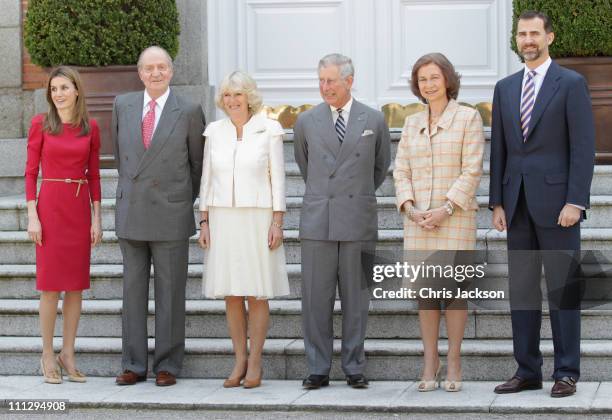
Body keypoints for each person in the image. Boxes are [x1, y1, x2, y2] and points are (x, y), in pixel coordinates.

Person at [490, 11, 595, 398]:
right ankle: (527, 370)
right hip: (515, 203)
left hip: (558, 206)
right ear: (516, 39)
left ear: (549, 37)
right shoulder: (505, 87)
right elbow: (499, 148)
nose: (528, 39)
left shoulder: (571, 84)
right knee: (523, 291)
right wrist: (496, 202)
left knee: (564, 290)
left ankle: (566, 371)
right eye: (522, 34)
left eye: (535, 33)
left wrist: (576, 201)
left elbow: (583, 148)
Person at [294, 53, 391, 389]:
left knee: (356, 300)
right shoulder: (306, 121)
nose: (325, 87)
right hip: (319, 220)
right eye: (321, 80)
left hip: (357, 220)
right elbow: (306, 167)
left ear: (349, 80)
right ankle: (318, 368)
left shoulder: (374, 120)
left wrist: (355, 194)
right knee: (315, 300)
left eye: (331, 81)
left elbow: (379, 169)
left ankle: (354, 366)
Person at [112, 46, 205, 387]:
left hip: (171, 212)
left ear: (171, 71)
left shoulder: (190, 110)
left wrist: (181, 198)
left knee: (171, 292)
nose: (155, 73)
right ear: (140, 73)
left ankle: (168, 364)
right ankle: (133, 364)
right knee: (132, 292)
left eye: (161, 67)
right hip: (133, 211)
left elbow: (198, 164)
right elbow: (122, 157)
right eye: (149, 68)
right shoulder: (123, 105)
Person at [393, 53, 484, 392]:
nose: (428, 85)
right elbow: (400, 169)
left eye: (434, 77)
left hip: (455, 217)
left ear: (447, 79)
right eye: (422, 80)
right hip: (418, 221)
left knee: (455, 293)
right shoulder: (411, 123)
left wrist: (446, 208)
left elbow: (472, 168)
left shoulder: (468, 118)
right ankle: (430, 359)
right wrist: (410, 206)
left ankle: (455, 360)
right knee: (426, 294)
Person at [198, 70, 289, 389]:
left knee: (256, 291)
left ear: (249, 97)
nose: (232, 101)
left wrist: (277, 221)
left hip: (258, 217)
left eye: (238, 94)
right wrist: (204, 220)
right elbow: (207, 178)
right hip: (223, 218)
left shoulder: (269, 129)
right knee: (232, 294)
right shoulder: (214, 131)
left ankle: (256, 360)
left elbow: (277, 178)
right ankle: (239, 358)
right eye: (227, 95)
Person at [25, 66, 102, 384]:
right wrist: (32, 215)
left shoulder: (91, 127)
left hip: (79, 208)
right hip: (50, 207)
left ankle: (67, 353)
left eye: (63, 88)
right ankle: (47, 354)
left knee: (75, 286)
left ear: (77, 91)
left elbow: (94, 175)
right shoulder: (40, 124)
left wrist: (97, 217)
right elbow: (30, 173)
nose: (57, 93)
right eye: (53, 89)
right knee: (50, 285)